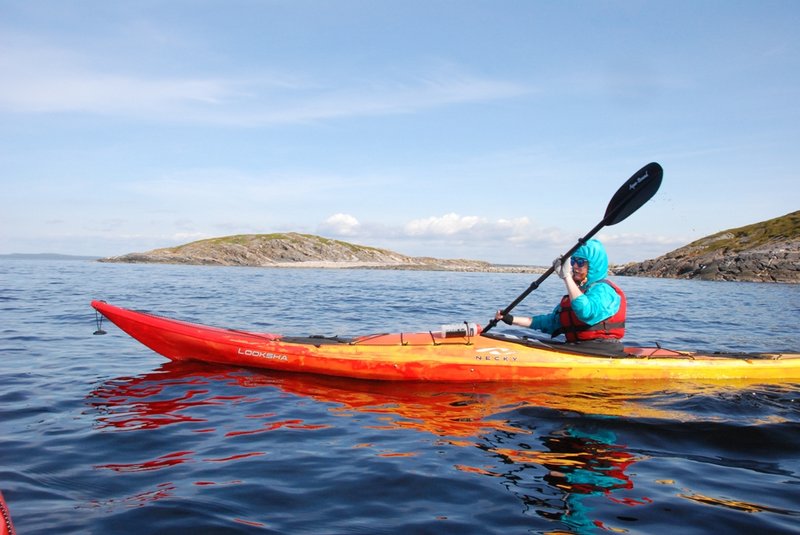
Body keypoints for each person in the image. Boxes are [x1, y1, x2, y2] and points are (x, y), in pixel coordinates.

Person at [495, 239, 626, 346]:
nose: (575, 266)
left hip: (603, 350)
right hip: (577, 347)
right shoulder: (576, 293)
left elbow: (586, 312)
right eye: (573, 261)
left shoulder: (604, 290)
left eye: (580, 262)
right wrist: (511, 319)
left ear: (593, 266)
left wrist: (566, 277)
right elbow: (551, 323)